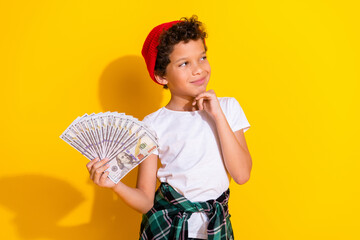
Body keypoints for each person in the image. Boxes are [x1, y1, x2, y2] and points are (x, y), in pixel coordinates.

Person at [86, 15, 252, 240]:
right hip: (166, 229)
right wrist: (115, 185)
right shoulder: (152, 125)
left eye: (202, 57)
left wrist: (217, 115)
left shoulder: (228, 108)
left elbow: (241, 175)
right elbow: (145, 201)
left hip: (216, 227)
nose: (199, 70)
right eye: (184, 63)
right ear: (161, 76)